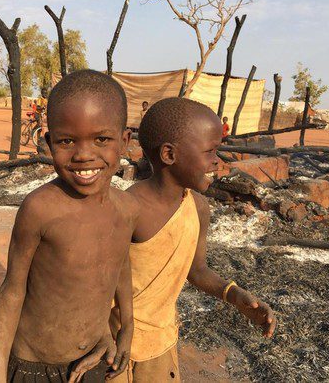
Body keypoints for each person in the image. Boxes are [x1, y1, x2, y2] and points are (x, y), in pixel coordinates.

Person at [73, 97, 276, 382]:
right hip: (113, 342)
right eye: (210, 151)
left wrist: (236, 295)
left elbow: (197, 269)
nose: (217, 161)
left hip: (161, 342)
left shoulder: (198, 207)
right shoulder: (127, 209)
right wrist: (102, 336)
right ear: (169, 154)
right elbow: (96, 283)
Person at [0, 70, 138, 383]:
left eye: (102, 139)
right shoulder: (39, 209)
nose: (83, 155)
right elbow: (12, 290)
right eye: (67, 140)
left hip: (91, 359)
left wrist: (127, 327)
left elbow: (120, 265)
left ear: (124, 141)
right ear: (48, 141)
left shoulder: (126, 208)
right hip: (34, 366)